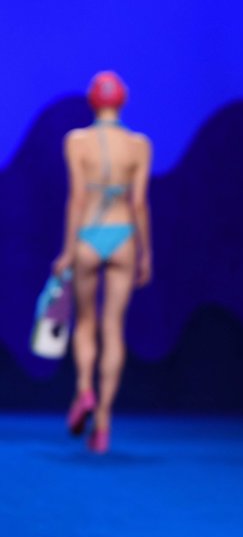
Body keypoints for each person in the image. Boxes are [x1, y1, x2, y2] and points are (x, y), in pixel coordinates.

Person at [53, 70, 153, 454]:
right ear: (122, 100)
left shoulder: (76, 141)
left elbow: (77, 198)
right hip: (123, 235)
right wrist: (145, 252)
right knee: (113, 328)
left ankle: (84, 390)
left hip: (88, 236)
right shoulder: (139, 145)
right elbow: (139, 203)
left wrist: (67, 251)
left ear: (92, 101)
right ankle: (104, 422)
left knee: (85, 323)